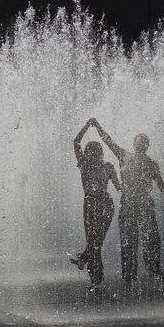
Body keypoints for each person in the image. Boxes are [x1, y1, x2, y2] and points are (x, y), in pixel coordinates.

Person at [90, 118, 164, 289]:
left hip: (145, 204)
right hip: (128, 204)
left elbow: (160, 184)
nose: (142, 144)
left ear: (147, 146)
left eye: (145, 142)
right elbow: (108, 141)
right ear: (135, 143)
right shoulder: (124, 156)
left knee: (152, 239)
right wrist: (98, 126)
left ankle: (154, 269)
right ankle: (129, 276)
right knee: (128, 240)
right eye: (139, 141)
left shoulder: (152, 164)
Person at [70, 119, 122, 291]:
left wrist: (127, 186)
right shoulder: (84, 165)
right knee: (94, 243)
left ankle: (86, 263)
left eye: (95, 151)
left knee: (95, 242)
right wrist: (89, 126)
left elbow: (119, 187)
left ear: (100, 153)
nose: (92, 154)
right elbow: (76, 142)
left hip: (105, 205)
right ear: (86, 153)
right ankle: (95, 279)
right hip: (91, 205)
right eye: (89, 151)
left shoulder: (108, 166)